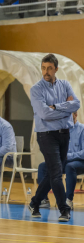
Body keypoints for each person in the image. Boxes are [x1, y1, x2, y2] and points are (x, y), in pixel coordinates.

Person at [28, 54, 80, 222]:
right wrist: (66, 110)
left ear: (56, 69)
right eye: (43, 68)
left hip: (64, 134)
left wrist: (56, 107)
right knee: (57, 174)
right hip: (46, 136)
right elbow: (43, 113)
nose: (46, 71)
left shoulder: (65, 85)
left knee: (53, 173)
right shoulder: (36, 89)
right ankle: (64, 209)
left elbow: (76, 104)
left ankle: (35, 202)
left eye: (49, 68)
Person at [37, 111, 84, 210]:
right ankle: (43, 199)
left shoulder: (82, 129)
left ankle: (68, 200)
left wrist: (68, 156)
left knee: (69, 167)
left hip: (80, 161)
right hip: (64, 160)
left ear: (75, 115)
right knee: (43, 166)